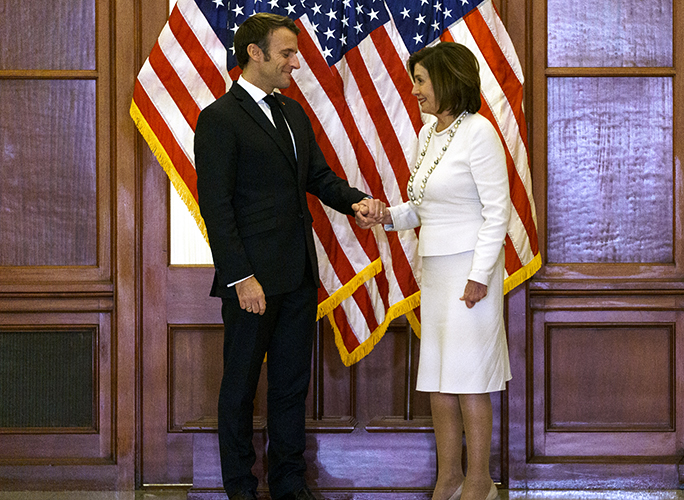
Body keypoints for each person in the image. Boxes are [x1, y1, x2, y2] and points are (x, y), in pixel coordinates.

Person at [194, 13, 385, 500]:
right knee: (239, 389)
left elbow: (318, 178)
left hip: (299, 276)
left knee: (289, 387)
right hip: (252, 282)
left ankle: (288, 484)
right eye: (287, 53)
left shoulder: (294, 113)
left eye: (296, 54)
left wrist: (357, 202)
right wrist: (241, 277)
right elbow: (216, 206)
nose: (296, 63)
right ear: (254, 53)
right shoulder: (219, 118)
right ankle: (240, 487)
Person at [380, 42, 511, 500]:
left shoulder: (481, 133)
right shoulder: (427, 135)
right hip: (434, 271)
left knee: (470, 379)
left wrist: (480, 275)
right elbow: (422, 207)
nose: (414, 89)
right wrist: (385, 215)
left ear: (448, 79)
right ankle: (449, 478)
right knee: (439, 378)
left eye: (420, 80)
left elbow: (498, 211)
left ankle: (480, 483)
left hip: (471, 275)